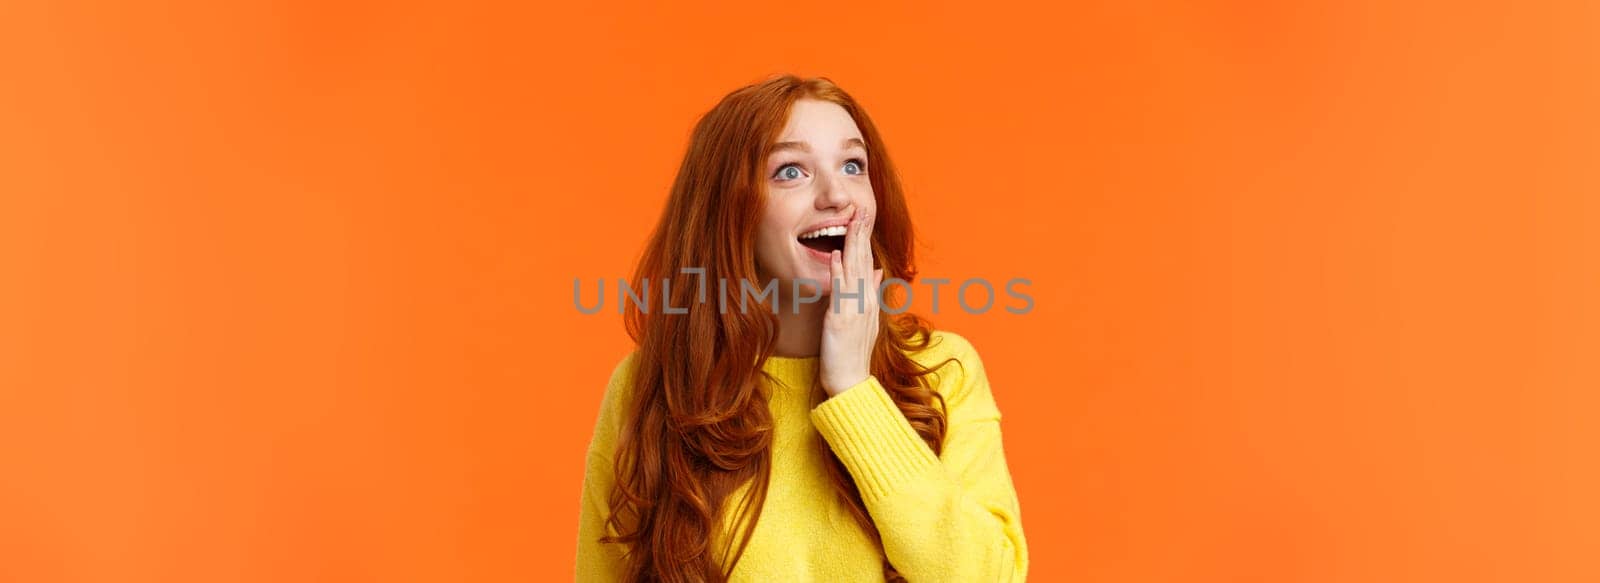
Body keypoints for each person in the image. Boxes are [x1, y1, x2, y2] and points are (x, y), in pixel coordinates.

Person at [574, 75, 1028, 582]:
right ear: (729, 211)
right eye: (790, 171)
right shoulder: (650, 385)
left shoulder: (943, 370)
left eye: (853, 165)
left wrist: (854, 389)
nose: (838, 195)